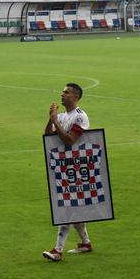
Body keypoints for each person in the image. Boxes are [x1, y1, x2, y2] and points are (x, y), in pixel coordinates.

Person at [42, 83, 93, 261]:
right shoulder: (63, 116)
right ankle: (85, 243)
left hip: (78, 168)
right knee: (74, 206)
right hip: (64, 166)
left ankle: (57, 250)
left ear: (76, 97)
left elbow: (70, 140)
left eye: (66, 92)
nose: (62, 94)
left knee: (68, 206)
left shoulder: (80, 117)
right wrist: (52, 118)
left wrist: (56, 121)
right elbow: (48, 136)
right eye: (62, 92)